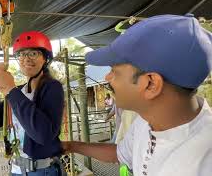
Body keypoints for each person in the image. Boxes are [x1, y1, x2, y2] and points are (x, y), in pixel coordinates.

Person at [62, 14, 212, 176]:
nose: (107, 77)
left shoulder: (202, 163)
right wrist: (71, 146)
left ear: (151, 84)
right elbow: (119, 154)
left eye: (114, 71)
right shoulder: (148, 119)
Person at [0, 31, 65, 175]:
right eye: (21, 54)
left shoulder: (52, 88)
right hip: (16, 168)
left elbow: (43, 135)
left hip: (41, 170)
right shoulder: (18, 92)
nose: (26, 59)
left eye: (33, 53)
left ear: (45, 58)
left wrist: (9, 89)